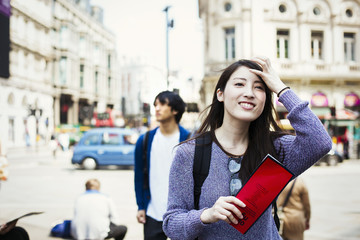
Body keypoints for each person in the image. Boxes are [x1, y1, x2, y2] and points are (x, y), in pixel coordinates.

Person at [162, 57, 332, 239]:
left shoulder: (275, 147)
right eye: (239, 84)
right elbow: (171, 224)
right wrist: (206, 215)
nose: (249, 93)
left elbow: (320, 142)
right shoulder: (190, 153)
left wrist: (280, 88)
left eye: (259, 87)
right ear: (220, 94)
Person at [134, 90, 190, 240]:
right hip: (153, 213)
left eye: (162, 104)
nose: (157, 108)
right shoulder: (145, 140)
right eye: (155, 104)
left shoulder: (189, 139)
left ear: (175, 110)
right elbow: (139, 175)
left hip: (182, 215)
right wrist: (141, 206)